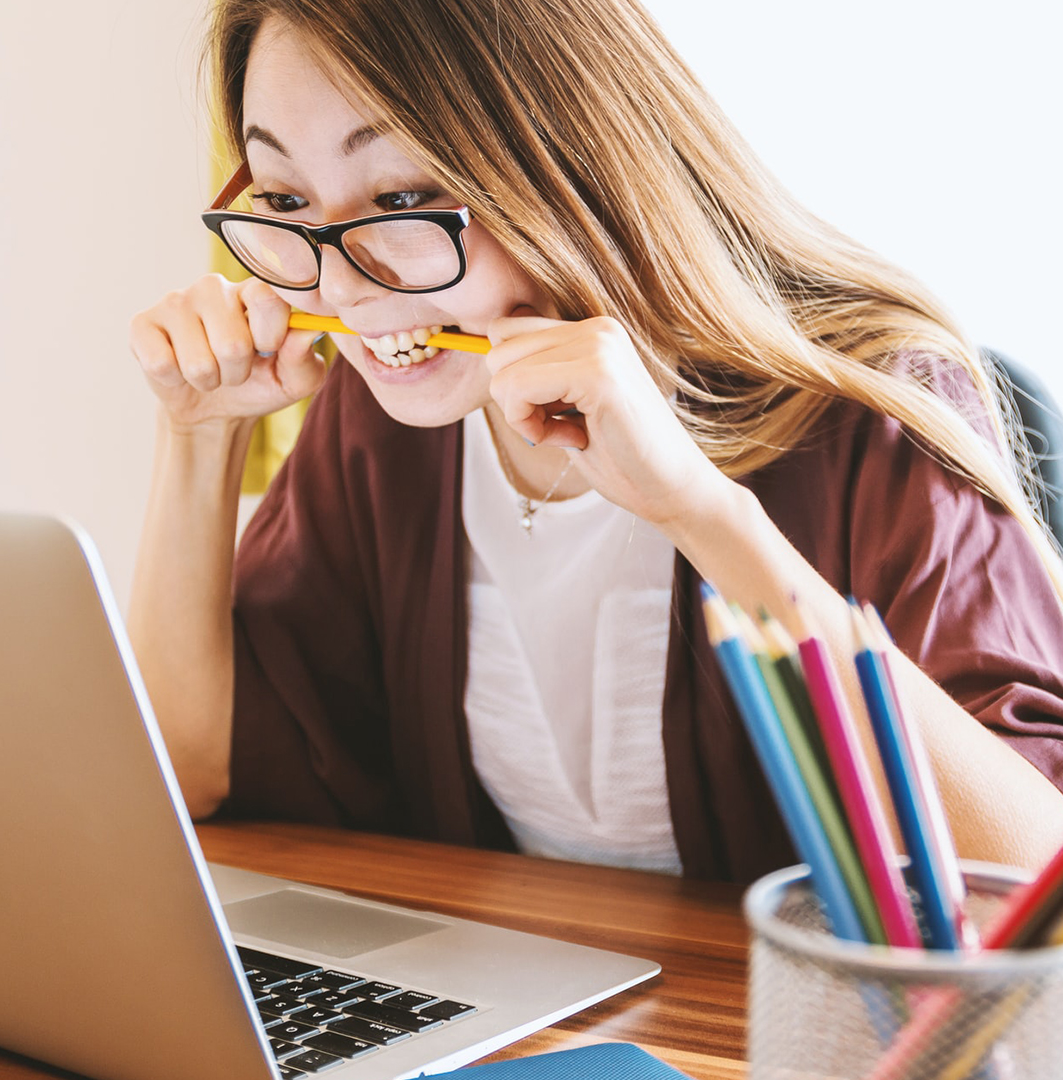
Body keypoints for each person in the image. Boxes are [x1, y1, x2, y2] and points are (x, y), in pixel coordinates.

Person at [129, 0, 1063, 882]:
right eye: (288, 202)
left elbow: (1034, 876)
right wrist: (197, 436)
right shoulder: (387, 417)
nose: (339, 288)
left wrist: (699, 514)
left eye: (403, 192)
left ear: (569, 163)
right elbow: (191, 765)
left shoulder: (871, 407)